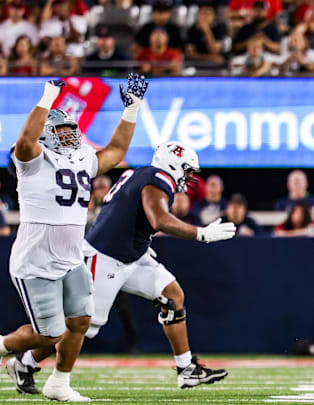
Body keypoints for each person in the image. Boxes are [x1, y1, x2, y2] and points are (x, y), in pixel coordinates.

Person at [13, 141, 236, 394]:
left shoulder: (142, 174)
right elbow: (158, 219)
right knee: (81, 327)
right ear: (172, 165)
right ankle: (26, 361)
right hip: (105, 256)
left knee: (173, 296)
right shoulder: (157, 178)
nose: (189, 177)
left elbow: (130, 216)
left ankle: (186, 370)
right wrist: (201, 234)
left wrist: (140, 241)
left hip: (132, 255)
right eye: (186, 170)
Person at [0, 74, 147, 401]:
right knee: (48, 334)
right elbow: (25, 140)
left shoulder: (82, 158)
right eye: (61, 130)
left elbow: (117, 149)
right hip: (36, 260)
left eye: (71, 129)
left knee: (81, 321)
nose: (69, 135)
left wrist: (132, 110)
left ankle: (59, 383)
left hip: (69, 259)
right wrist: (48, 97)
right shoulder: (31, 161)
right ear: (46, 135)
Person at [185, 0, 229, 69]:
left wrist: (207, 31)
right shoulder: (192, 29)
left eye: (207, 13)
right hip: (196, 64)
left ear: (214, 16)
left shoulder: (220, 28)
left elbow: (214, 51)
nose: (203, 17)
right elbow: (190, 54)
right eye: (201, 13)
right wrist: (210, 58)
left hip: (217, 66)